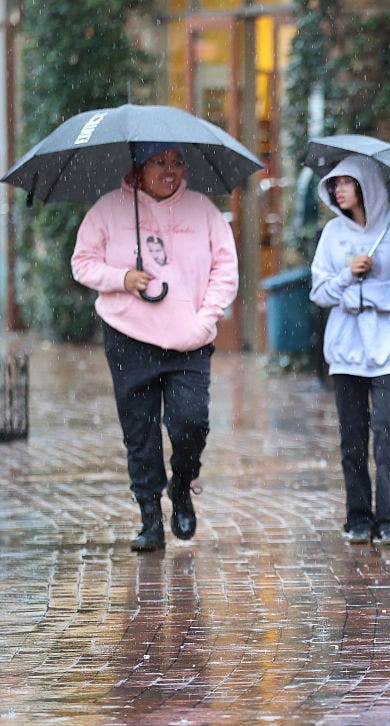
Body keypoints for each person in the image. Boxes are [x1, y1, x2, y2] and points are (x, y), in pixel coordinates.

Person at [71, 141, 239, 552]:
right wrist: (121, 278)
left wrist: (205, 319)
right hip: (128, 336)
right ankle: (149, 516)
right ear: (139, 167)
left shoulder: (203, 211)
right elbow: (82, 262)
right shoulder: (108, 210)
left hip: (190, 340)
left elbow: (225, 269)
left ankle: (181, 485)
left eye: (177, 163)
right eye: (160, 162)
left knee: (191, 423)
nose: (170, 170)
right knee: (140, 432)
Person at [309, 156, 390, 545]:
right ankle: (358, 517)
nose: (338, 190)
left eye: (347, 182)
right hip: (346, 351)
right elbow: (320, 291)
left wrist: (367, 294)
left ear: (367, 185)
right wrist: (348, 275)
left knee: (385, 430)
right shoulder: (332, 233)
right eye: (335, 183)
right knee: (352, 437)